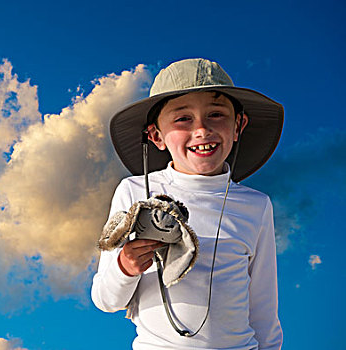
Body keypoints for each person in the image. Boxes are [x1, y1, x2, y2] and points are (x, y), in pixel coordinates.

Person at [91, 58, 283, 349]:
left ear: (238, 126)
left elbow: (264, 308)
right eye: (183, 119)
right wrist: (126, 265)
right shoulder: (134, 193)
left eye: (216, 114)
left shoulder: (256, 206)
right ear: (155, 136)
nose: (202, 130)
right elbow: (106, 300)